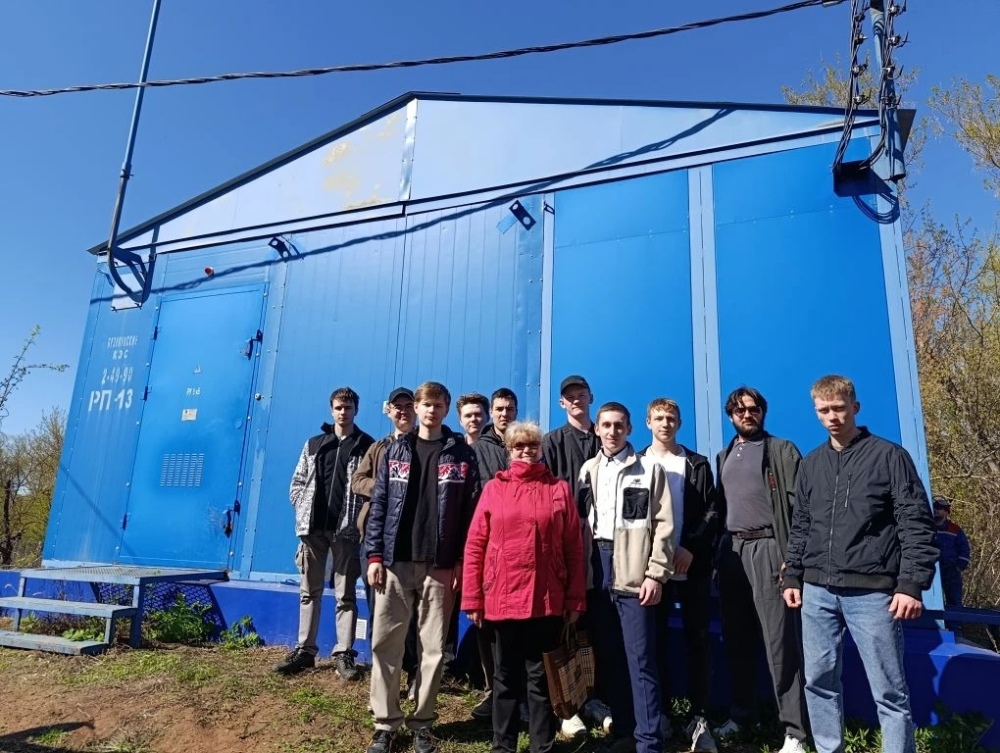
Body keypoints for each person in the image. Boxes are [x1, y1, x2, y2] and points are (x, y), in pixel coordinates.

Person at [783, 374, 939, 753]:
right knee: (819, 682)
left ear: (855, 407)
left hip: (872, 593)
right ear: (816, 412)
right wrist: (792, 575)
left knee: (889, 690)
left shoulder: (889, 457)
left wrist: (911, 584)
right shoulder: (812, 464)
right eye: (824, 410)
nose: (832, 417)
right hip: (817, 592)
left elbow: (915, 522)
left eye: (839, 408)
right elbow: (801, 524)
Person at [365, 381, 481, 753]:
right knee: (386, 644)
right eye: (426, 404)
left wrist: (461, 561)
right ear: (416, 408)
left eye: (438, 404)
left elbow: (470, 514)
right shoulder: (395, 450)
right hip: (395, 562)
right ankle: (385, 724)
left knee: (433, 649)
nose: (432, 410)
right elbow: (380, 505)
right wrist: (374, 556)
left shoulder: (462, 455)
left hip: (440, 565)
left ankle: (422, 724)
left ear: (447, 409)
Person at [463, 421, 587, 753]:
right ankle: (502, 746)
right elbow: (475, 546)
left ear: (541, 449)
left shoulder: (558, 489)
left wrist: (575, 598)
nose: (526, 451)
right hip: (502, 600)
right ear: (509, 451)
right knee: (504, 679)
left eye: (532, 445)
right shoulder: (494, 489)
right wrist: (473, 598)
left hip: (546, 599)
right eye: (519, 446)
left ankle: (541, 746)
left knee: (540, 679)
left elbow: (574, 549)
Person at [714, 386, 808, 753]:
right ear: (731, 416)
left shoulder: (781, 450)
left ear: (763, 412)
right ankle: (743, 716)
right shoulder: (724, 456)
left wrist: (792, 557)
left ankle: (795, 732)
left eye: (753, 409)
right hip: (732, 553)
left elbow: (801, 508)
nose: (747, 415)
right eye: (740, 410)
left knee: (779, 643)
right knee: (737, 640)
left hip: (770, 548)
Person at [579, 402, 674, 753]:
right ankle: (624, 732)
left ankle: (649, 741)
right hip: (598, 567)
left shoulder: (648, 469)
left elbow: (664, 525)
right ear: (597, 429)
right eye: (606, 425)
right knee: (611, 656)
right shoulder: (588, 470)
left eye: (619, 425)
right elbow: (580, 522)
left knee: (641, 659)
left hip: (634, 571)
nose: (612, 431)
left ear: (629, 429)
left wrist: (655, 574)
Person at [275, 387, 375, 679]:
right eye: (338, 407)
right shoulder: (315, 444)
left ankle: (344, 653)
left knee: (346, 595)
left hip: (346, 533)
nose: (343, 412)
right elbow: (297, 482)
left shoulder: (366, 445)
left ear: (356, 410)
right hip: (313, 531)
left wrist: (358, 520)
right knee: (309, 592)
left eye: (348, 407)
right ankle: (305, 651)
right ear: (331, 410)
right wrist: (302, 508)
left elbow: (370, 486)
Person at [640, 398, 719, 752]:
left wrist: (691, 547)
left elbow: (712, 511)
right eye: (659, 418)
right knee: (653, 642)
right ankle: (661, 713)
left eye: (671, 418)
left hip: (691, 566)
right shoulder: (636, 463)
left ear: (680, 423)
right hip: (651, 571)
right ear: (648, 422)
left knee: (697, 640)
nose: (665, 423)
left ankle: (699, 715)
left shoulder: (697, 464)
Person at [540, 375, 610, 738]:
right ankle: (565, 707)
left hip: (604, 544)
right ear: (562, 403)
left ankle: (595, 697)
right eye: (569, 396)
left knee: (597, 619)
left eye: (581, 393)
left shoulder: (606, 437)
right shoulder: (552, 442)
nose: (576, 399)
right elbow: (547, 492)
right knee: (565, 621)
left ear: (591, 397)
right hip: (566, 542)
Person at [352, 386, 419, 696]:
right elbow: (357, 481)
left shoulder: (425, 445)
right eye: (397, 406)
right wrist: (387, 485)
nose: (403, 411)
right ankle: (380, 675)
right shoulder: (378, 448)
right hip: (376, 541)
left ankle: (414, 671)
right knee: (378, 607)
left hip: (410, 544)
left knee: (413, 612)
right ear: (388, 411)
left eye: (408, 405)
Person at [932, 496, 971, 628]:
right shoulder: (927, 528)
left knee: (954, 601)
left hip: (951, 572)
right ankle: (934, 628)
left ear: (946, 511)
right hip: (931, 571)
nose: (936, 510)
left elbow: (964, 549)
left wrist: (959, 567)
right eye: (934, 507)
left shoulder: (955, 529)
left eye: (939, 508)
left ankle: (955, 630)